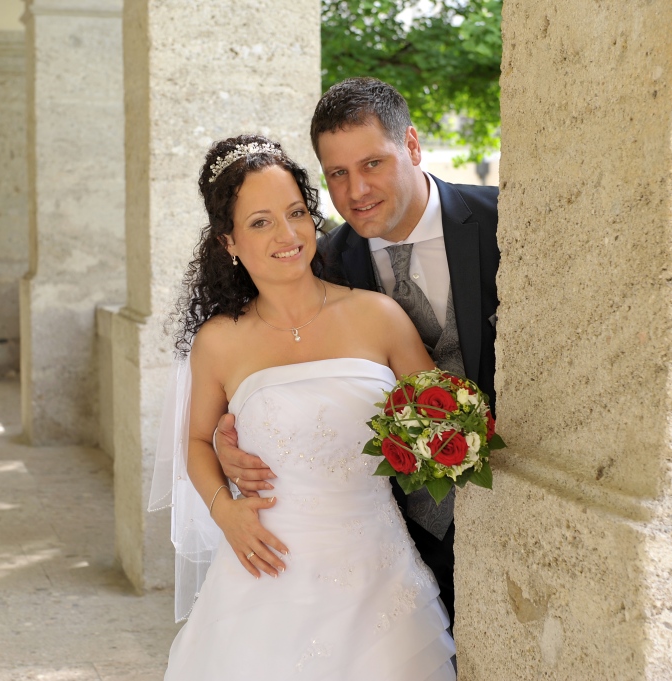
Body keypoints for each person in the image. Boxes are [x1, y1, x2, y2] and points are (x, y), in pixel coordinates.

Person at [159, 135, 456, 680]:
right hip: (266, 569)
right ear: (228, 241)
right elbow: (198, 440)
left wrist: (446, 446)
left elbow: (444, 419)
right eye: (261, 222)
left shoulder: (379, 316)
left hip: (380, 579)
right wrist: (226, 511)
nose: (288, 235)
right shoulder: (220, 341)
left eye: (296, 213)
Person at [215, 78, 500, 631]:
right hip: (390, 541)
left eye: (372, 164)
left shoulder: (504, 221)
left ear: (413, 147)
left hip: (511, 509)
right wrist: (232, 451)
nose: (356, 191)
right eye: (337, 174)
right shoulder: (320, 264)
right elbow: (272, 369)